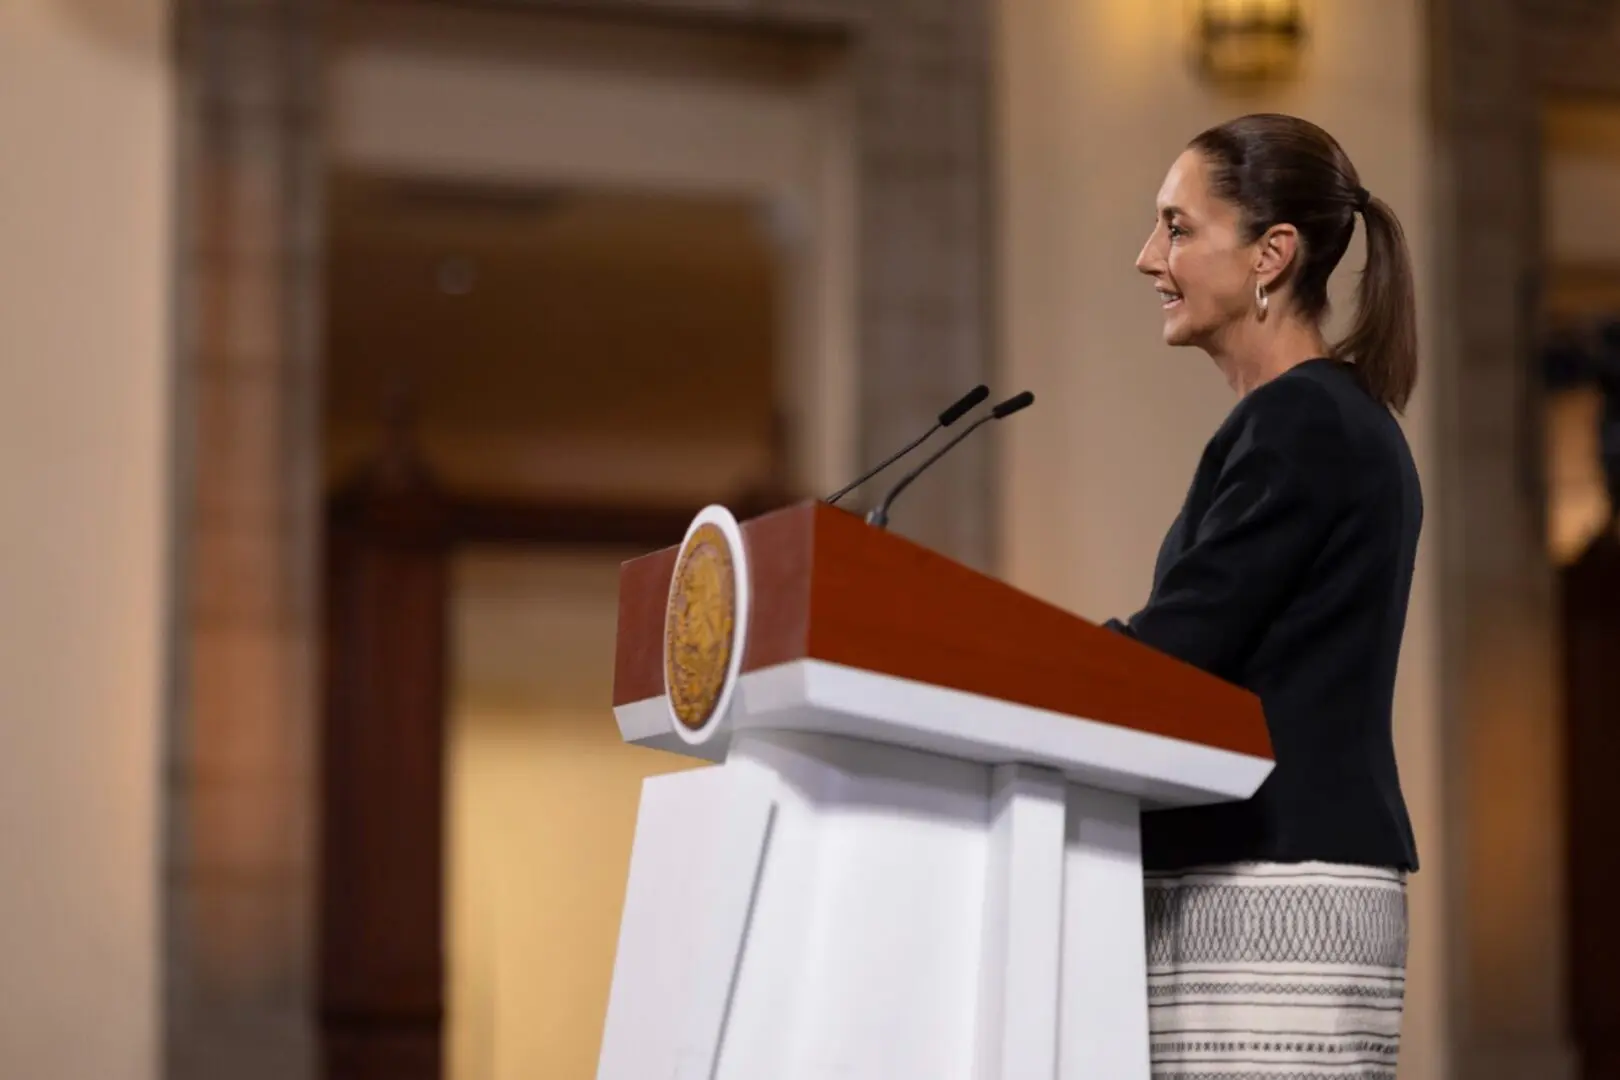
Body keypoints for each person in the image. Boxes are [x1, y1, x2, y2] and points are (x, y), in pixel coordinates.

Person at [1106, 113, 1421, 1078]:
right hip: (1259, 877)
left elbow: (1183, 647)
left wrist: (996, 663)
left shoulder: (1304, 422)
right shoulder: (1324, 417)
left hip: (1272, 883)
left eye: (1178, 226)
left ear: (1270, 255)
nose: (1146, 256)